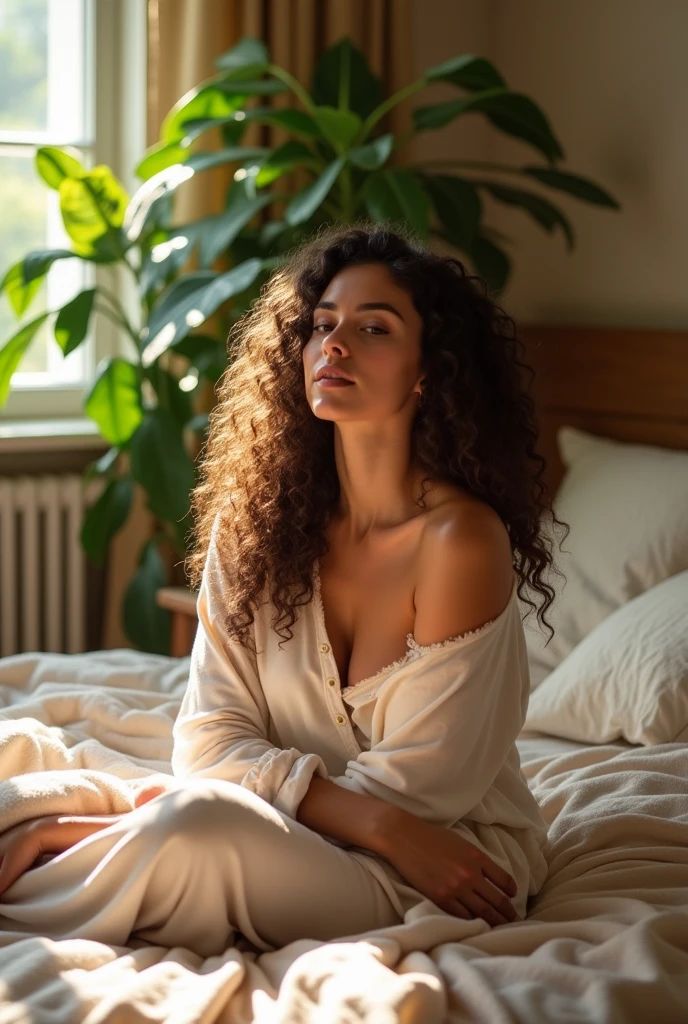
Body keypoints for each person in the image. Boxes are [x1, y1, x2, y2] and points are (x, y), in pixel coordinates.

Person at [0, 222, 567, 959]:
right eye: (322, 325)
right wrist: (229, 802)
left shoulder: (459, 542)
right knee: (191, 818)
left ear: (430, 369)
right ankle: (105, 837)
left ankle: (85, 844)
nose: (333, 345)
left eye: (373, 328)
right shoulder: (260, 522)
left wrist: (209, 806)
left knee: (198, 827)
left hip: (441, 862)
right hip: (338, 834)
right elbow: (207, 741)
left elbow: (418, 799)